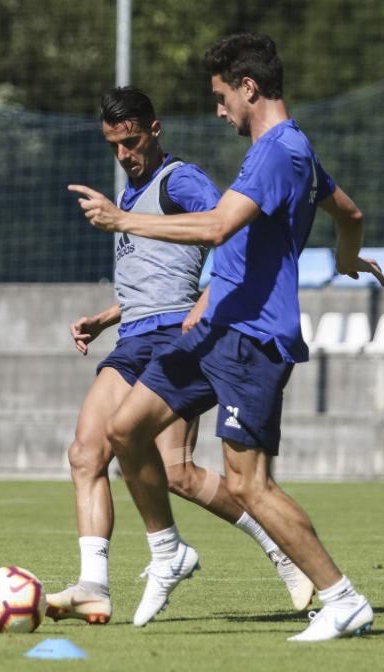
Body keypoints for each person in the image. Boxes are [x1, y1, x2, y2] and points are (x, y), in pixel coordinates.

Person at [69, 35, 384, 641]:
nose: (217, 111)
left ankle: (343, 598)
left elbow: (216, 227)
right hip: (213, 331)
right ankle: (167, 552)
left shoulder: (277, 152)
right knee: (123, 430)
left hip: (252, 337)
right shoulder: (289, 151)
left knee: (247, 483)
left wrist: (121, 218)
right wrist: (347, 260)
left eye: (220, 97)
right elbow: (350, 214)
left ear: (248, 88)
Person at [46, 85, 314, 625]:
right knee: (85, 455)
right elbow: (154, 278)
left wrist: (211, 299)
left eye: (133, 140)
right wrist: (106, 316)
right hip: (133, 338)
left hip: (176, 337)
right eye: (114, 146)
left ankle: (282, 550)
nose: (125, 154)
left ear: (155, 129)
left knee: (175, 472)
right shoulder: (128, 196)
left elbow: (232, 235)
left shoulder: (181, 180)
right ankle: (95, 584)